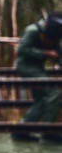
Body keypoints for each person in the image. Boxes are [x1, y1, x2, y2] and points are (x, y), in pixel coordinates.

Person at [11, 12, 62, 142]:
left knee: (41, 99)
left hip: (38, 69)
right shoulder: (33, 30)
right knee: (54, 93)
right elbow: (22, 50)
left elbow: (58, 54)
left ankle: (21, 131)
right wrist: (45, 53)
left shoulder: (54, 34)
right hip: (26, 67)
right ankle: (48, 132)